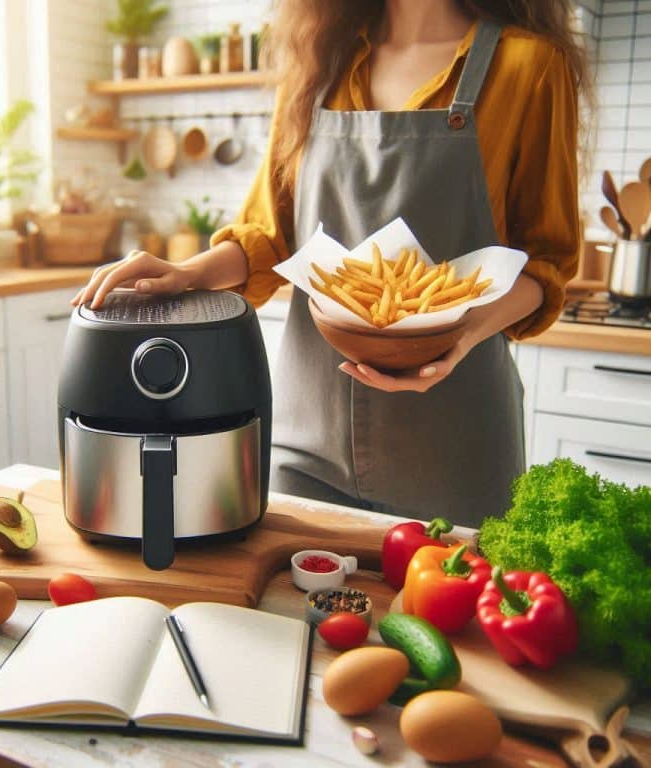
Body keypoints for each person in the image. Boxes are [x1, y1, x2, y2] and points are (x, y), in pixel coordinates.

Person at [72, 0, 592, 528]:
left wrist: (459, 334)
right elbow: (271, 236)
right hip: (306, 438)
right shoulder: (319, 61)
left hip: (455, 441)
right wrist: (188, 273)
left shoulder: (529, 66)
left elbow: (545, 264)